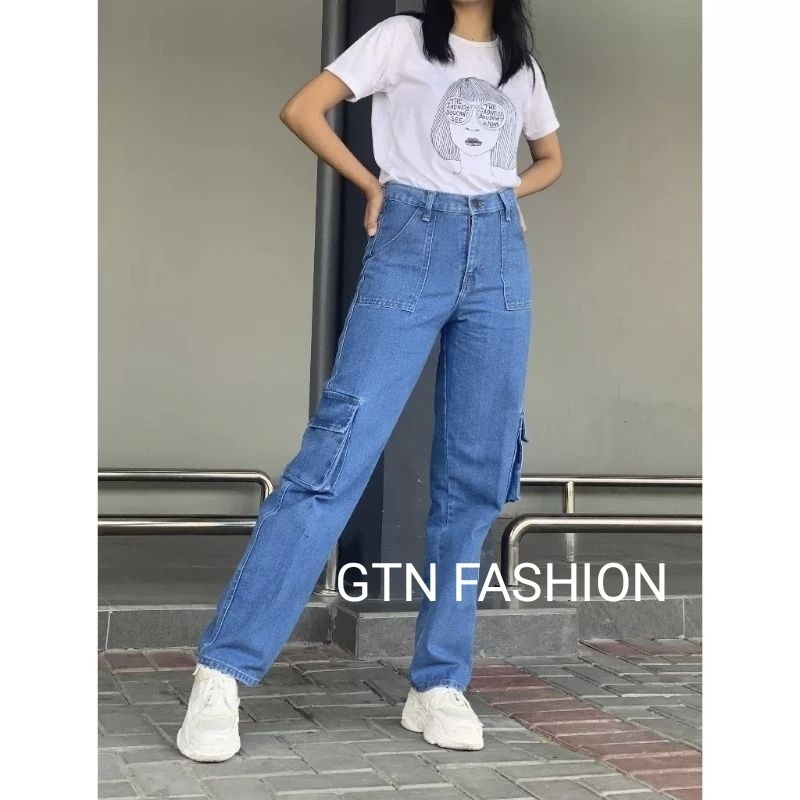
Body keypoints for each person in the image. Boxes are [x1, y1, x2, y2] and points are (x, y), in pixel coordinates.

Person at [177, 0, 562, 762]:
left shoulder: (519, 63)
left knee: (474, 477)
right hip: (412, 240)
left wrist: (498, 194)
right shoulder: (400, 38)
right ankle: (222, 669)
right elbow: (303, 109)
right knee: (336, 456)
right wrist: (373, 185)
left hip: (500, 264)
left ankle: (439, 682)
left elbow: (550, 158)